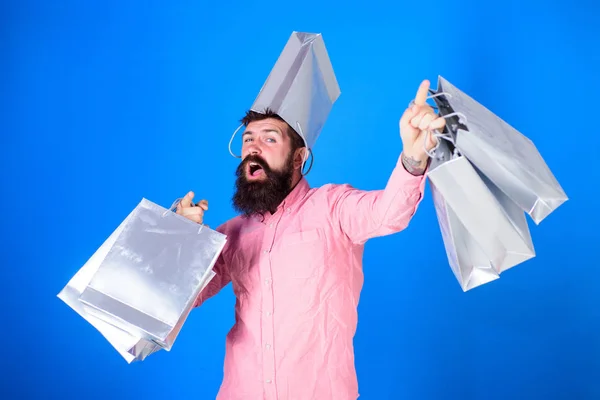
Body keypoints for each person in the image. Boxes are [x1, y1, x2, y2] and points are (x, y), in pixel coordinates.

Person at [176, 75, 445, 399]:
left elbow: (388, 213)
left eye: (269, 139)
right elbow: (177, 299)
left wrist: (413, 159)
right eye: (248, 140)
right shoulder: (232, 234)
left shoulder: (333, 208)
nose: (253, 149)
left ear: (299, 157)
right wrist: (179, 238)